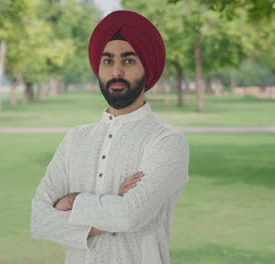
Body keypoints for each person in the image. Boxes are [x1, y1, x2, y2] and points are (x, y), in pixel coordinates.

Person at [31, 10, 189, 264]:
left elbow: (130, 215)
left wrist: (72, 202)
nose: (116, 72)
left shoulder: (166, 141)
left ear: (146, 66)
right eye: (108, 61)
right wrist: (114, 203)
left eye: (128, 61)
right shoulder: (75, 140)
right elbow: (39, 220)